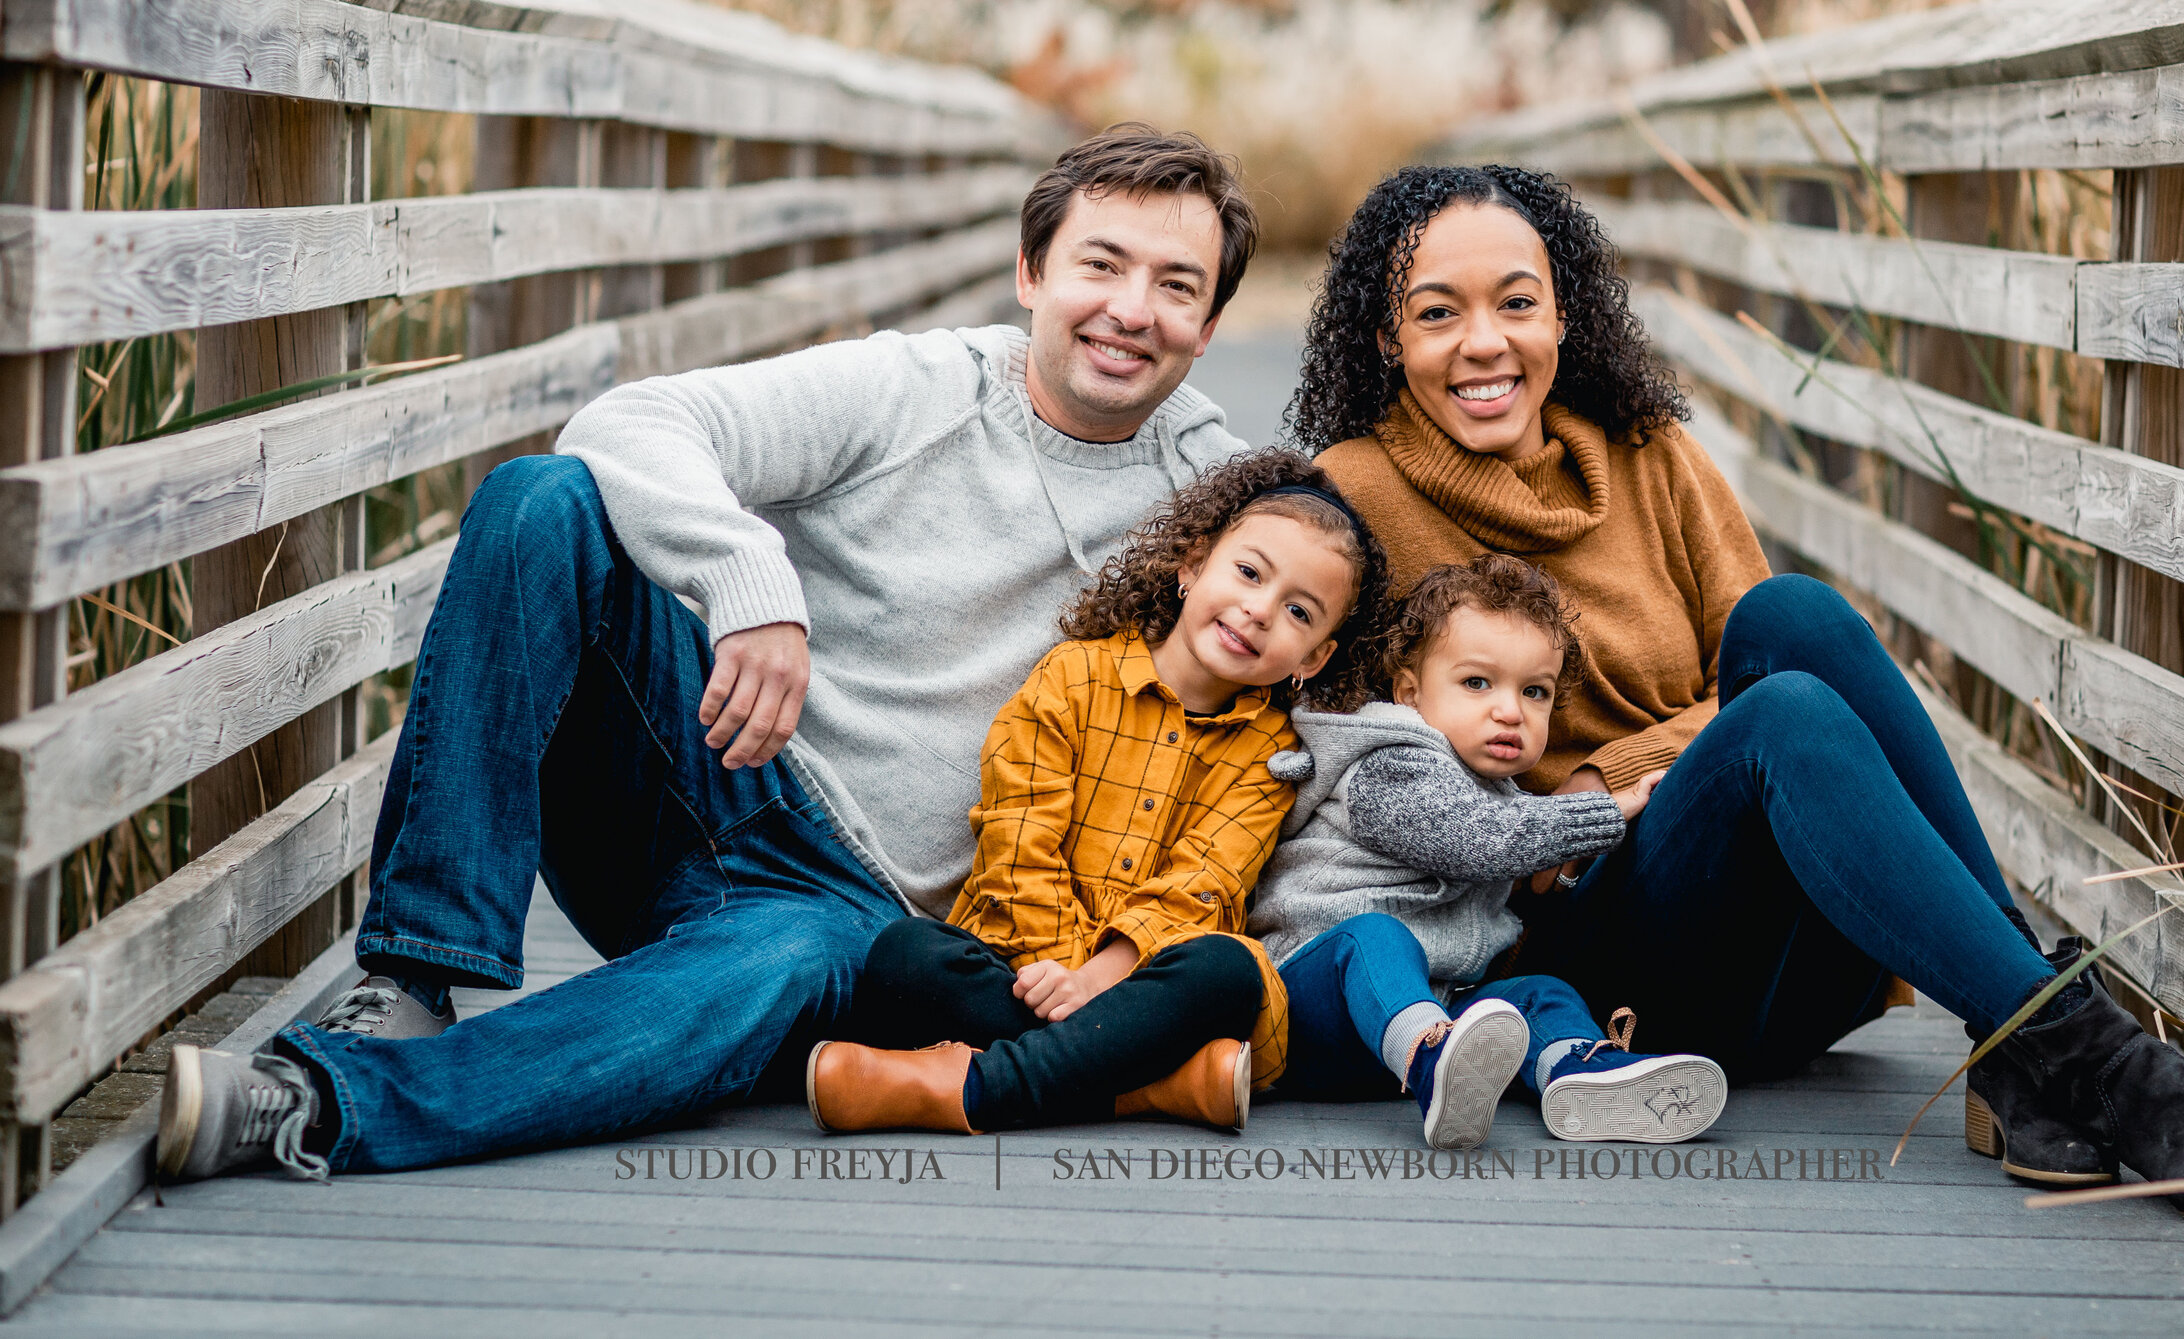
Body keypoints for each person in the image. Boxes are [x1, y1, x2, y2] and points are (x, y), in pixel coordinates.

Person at [154, 124, 1263, 1182]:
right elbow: (628, 422)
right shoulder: (914, 388)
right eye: (1100, 264)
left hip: (863, 920)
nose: (1131, 310)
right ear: (1030, 272)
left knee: (752, 978)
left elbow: (1334, 653)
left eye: (1177, 286)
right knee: (545, 499)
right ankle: (412, 968)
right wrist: (750, 583)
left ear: (1210, 326)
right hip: (713, 758)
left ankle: (321, 1103)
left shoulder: (1219, 499)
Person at [1283, 163, 2184, 1219]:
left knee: (1791, 620)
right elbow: (1346, 756)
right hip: (1586, 971)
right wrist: (1581, 803)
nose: (1483, 342)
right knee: (1784, 713)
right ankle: (2091, 1057)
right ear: (1387, 337)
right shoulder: (1355, 495)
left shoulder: (1648, 453)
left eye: (1516, 302)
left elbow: (1776, 671)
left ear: (1563, 313)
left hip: (1786, 959)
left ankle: (2022, 1029)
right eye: (1436, 313)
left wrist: (1609, 769)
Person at [810, 451, 1391, 1136]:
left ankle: (974, 1088)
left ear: (1314, 657)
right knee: (903, 957)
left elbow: (1202, 886)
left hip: (1148, 982)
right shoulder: (1071, 678)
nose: (1259, 609)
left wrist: (1097, 978)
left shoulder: (1274, 753)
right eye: (1247, 571)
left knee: (1227, 970)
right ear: (1192, 563)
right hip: (1025, 961)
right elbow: (1017, 840)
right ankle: (1159, 1086)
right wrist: (1060, 972)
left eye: (1299, 610)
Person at [1253, 553, 1725, 1151]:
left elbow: (1503, 824)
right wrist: (1612, 808)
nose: (1510, 710)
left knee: (1538, 992)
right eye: (1477, 683)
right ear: (1409, 692)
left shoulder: (1497, 790)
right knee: (1373, 937)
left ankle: (1580, 1074)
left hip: (1428, 1011)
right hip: (1310, 1004)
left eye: (1535, 692)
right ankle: (1434, 1058)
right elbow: (1480, 839)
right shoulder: (1390, 762)